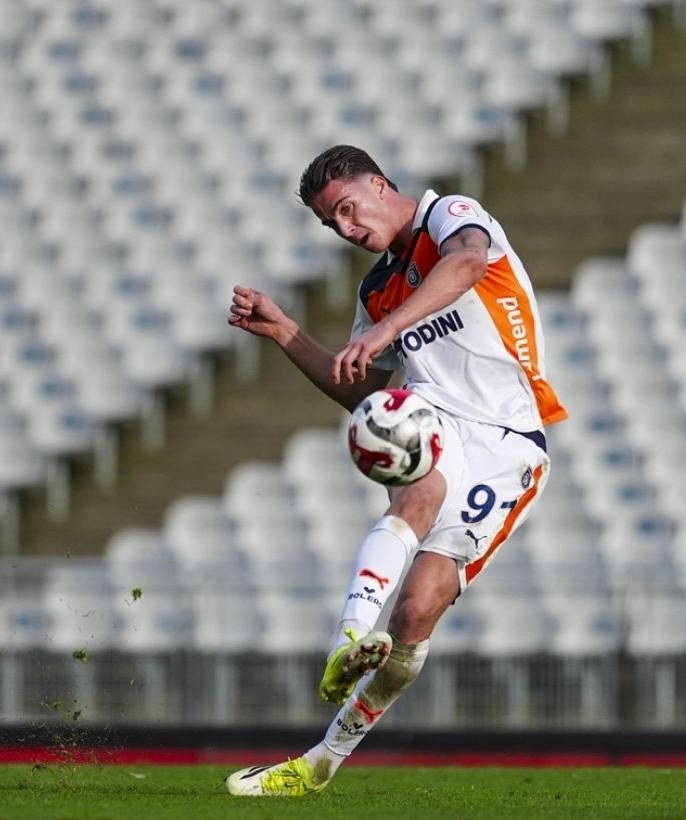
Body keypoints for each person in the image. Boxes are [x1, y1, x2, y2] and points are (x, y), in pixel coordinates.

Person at [225, 145, 566, 797]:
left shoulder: (451, 216)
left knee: (414, 614)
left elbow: (467, 264)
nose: (345, 229)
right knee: (417, 489)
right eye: (331, 223)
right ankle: (349, 637)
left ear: (380, 185)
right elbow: (360, 386)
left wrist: (384, 334)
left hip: (507, 441)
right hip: (433, 418)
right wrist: (284, 331)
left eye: (347, 209)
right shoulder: (376, 287)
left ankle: (321, 763)